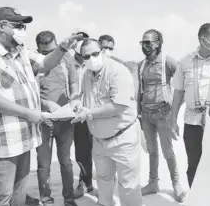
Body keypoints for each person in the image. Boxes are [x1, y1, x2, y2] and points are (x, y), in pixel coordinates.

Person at [0, 7, 82, 206]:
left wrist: (62, 48)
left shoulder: (20, 51)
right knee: (1, 198)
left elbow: (44, 65)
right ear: (2, 26)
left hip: (23, 138)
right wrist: (28, 113)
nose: (22, 29)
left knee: (19, 196)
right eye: (18, 25)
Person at [71, 38, 142, 206]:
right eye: (86, 56)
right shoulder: (86, 74)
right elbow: (84, 97)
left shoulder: (118, 71)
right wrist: (77, 104)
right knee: (103, 180)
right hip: (98, 140)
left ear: (102, 52)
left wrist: (89, 113)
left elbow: (118, 106)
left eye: (95, 54)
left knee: (128, 186)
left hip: (122, 139)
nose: (91, 58)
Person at [170, 23, 210, 188]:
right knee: (194, 165)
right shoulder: (185, 62)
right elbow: (178, 92)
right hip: (192, 122)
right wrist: (173, 119)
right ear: (203, 40)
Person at [136, 29, 185, 202]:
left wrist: (173, 110)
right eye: (143, 42)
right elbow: (139, 91)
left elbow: (183, 85)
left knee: (168, 151)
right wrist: (138, 115)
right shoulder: (141, 65)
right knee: (152, 151)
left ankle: (176, 184)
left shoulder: (168, 62)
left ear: (158, 43)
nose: (145, 46)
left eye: (149, 42)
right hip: (146, 114)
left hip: (163, 114)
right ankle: (153, 183)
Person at [34, 31, 79, 206]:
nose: (49, 55)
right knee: (43, 165)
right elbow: (28, 94)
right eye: (45, 52)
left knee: (66, 162)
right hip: (44, 120)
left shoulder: (67, 57)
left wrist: (74, 96)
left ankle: (68, 199)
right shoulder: (33, 62)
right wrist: (45, 103)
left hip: (66, 119)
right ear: (38, 49)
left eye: (53, 50)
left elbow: (74, 82)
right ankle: (46, 200)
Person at [68, 30, 98, 199]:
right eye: (77, 41)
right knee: (82, 151)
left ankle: (104, 183)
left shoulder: (93, 62)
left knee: (100, 150)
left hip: (94, 112)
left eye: (83, 41)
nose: (80, 44)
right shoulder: (66, 62)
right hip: (74, 114)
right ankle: (85, 183)